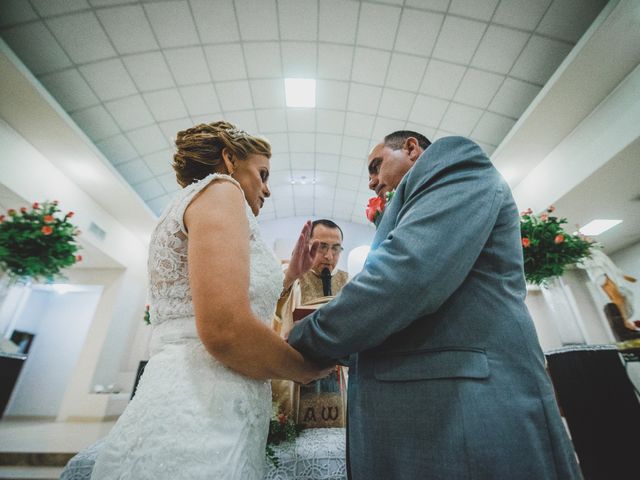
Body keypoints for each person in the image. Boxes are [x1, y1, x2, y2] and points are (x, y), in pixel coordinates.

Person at [288, 131, 582, 479]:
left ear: (411, 148)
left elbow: (406, 279)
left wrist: (301, 339)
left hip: (466, 416)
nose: (372, 182)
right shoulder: (411, 201)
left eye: (375, 166)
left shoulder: (453, 160)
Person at [91, 122, 331, 480]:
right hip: (203, 407)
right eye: (262, 174)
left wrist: (289, 276)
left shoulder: (194, 202)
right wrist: (304, 370)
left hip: (194, 391)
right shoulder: (222, 191)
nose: (266, 190)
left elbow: (220, 296)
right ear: (229, 159)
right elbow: (226, 329)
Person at [272, 219, 348, 417]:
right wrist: (289, 278)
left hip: (337, 381)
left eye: (336, 249)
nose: (329, 256)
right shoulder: (290, 276)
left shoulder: (348, 282)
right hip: (296, 375)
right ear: (307, 246)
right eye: (322, 247)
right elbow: (271, 309)